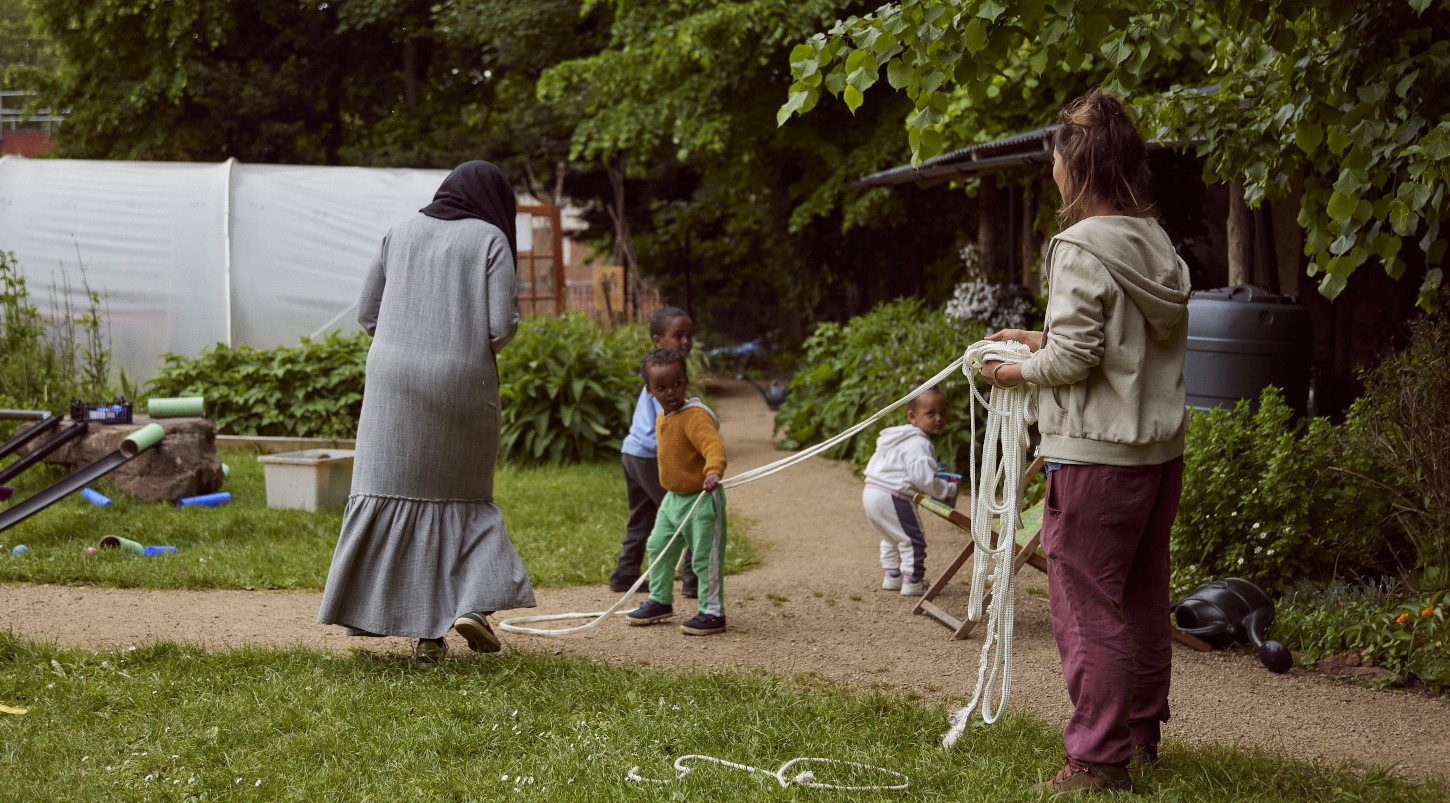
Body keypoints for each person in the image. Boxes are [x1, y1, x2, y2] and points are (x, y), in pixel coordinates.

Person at [979, 89, 1190, 794]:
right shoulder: (1153, 242)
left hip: (1096, 456)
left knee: (1087, 601)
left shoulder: (1077, 246)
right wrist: (1037, 339)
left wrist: (1012, 370)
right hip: (1156, 457)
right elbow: (1112, 342)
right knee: (1139, 593)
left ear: (1078, 164)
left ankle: (1098, 757)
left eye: (1055, 160)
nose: (1051, 173)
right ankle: (1140, 731)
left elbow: (1075, 361)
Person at [317, 161, 536, 668]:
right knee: (465, 503)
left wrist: (406, 345)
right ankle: (469, 606)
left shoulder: (399, 231)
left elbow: (367, 315)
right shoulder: (489, 239)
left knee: (398, 500)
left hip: (392, 388)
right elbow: (500, 325)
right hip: (461, 383)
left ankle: (427, 638)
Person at [624, 347, 729, 636]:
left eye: (676, 384)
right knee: (658, 547)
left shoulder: (694, 417)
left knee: (705, 558)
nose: (670, 392)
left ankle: (712, 613)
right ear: (649, 391)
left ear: (686, 381)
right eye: (661, 387)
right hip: (672, 499)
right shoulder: (664, 417)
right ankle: (660, 600)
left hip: (701, 500)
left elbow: (713, 447)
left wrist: (713, 472)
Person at [609, 307, 699, 598]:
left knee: (643, 515)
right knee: (686, 513)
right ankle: (693, 580)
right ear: (659, 341)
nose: (686, 341)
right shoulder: (667, 384)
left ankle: (625, 573)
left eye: (689, 335)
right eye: (678, 335)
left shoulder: (658, 379)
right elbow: (665, 430)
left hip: (632, 454)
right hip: (648, 457)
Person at [861, 386, 956, 596]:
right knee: (913, 538)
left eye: (942, 413)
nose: (938, 418)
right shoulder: (919, 442)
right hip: (892, 495)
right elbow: (924, 480)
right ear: (913, 416)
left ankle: (893, 575)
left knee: (891, 536)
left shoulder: (899, 438)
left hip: (871, 491)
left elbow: (912, 468)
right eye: (931, 413)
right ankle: (913, 580)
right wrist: (947, 488)